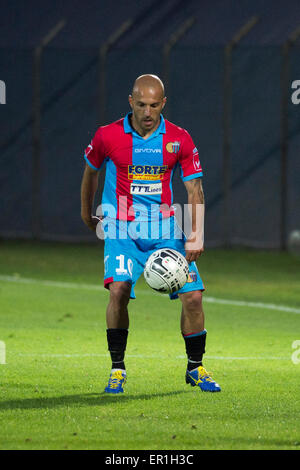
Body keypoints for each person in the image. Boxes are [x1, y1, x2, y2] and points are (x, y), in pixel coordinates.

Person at [81, 74, 221, 393]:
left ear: (163, 104)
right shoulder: (108, 136)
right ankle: (117, 369)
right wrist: (85, 211)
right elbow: (90, 171)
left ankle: (195, 368)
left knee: (194, 296)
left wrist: (196, 235)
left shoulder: (179, 139)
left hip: (164, 231)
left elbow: (194, 189)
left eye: (153, 105)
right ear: (131, 101)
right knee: (118, 290)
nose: (147, 112)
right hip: (120, 227)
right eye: (141, 104)